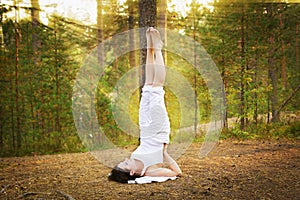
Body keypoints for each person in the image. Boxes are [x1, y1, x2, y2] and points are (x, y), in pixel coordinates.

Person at [108, 27, 182, 183]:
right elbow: (177, 172)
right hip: (158, 131)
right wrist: (165, 154)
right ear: (133, 171)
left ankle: (150, 48)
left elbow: (115, 176)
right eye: (127, 163)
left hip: (145, 129)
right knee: (157, 87)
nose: (127, 158)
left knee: (148, 88)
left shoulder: (135, 162)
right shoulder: (151, 171)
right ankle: (159, 49)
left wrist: (116, 174)